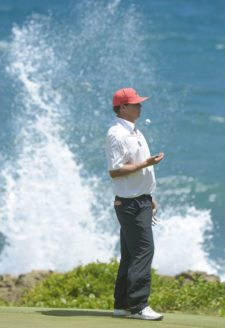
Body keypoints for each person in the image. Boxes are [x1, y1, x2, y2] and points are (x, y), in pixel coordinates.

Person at [105, 87, 164, 321]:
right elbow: (115, 171)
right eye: (135, 103)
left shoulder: (134, 132)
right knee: (143, 251)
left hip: (138, 200)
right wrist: (145, 164)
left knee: (130, 254)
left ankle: (122, 305)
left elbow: (136, 171)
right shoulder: (116, 134)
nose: (140, 106)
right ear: (122, 108)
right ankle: (139, 305)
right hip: (130, 204)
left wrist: (148, 196)